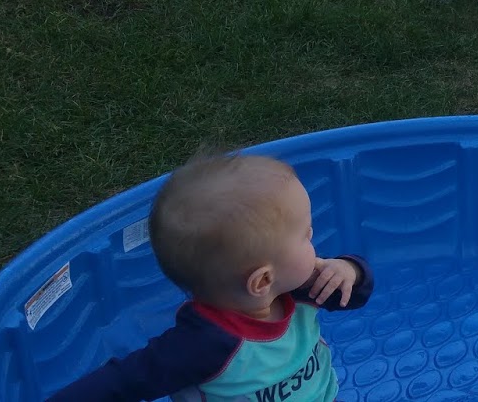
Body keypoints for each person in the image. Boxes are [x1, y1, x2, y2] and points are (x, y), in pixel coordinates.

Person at [48, 154, 373, 402]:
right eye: (305, 235)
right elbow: (125, 381)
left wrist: (350, 270)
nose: (314, 235)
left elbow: (354, 296)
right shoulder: (204, 343)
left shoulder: (299, 288)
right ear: (262, 281)